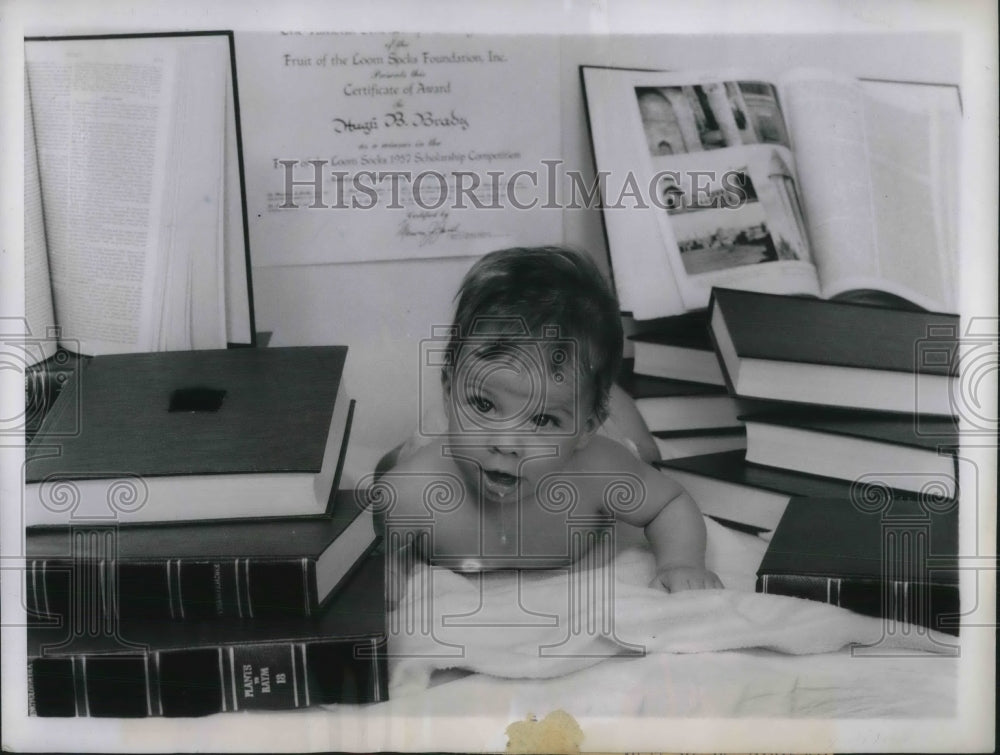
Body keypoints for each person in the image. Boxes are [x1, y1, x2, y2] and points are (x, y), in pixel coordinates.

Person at [375, 246, 722, 597]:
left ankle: (603, 395)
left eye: (542, 419)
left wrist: (681, 562)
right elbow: (383, 537)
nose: (506, 444)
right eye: (482, 403)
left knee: (642, 451)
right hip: (445, 439)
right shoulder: (415, 490)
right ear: (448, 391)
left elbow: (669, 503)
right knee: (403, 456)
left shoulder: (600, 469)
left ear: (588, 427)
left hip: (593, 435)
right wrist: (391, 566)